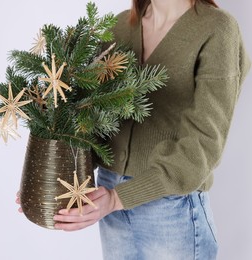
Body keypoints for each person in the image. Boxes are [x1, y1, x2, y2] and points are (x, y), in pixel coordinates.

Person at [17, 0, 250, 259]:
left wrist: (119, 198)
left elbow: (205, 143)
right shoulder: (119, 26)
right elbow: (90, 119)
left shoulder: (217, 28)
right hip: (107, 197)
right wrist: (47, 176)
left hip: (171, 205)